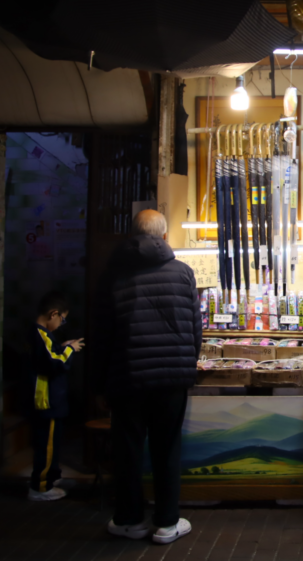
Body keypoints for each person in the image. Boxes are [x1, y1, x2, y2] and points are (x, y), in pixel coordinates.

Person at [94, 209, 202, 545]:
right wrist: (187, 363)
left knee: (128, 449)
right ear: (165, 236)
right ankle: (167, 523)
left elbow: (101, 335)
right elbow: (195, 329)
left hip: (127, 376)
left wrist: (99, 384)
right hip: (172, 378)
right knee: (166, 447)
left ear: (132, 235)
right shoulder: (183, 273)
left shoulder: (112, 275)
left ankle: (129, 520)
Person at [27, 290, 84, 501]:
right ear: (53, 314)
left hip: (51, 399)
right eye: (62, 319)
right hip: (46, 400)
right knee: (46, 445)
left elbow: (49, 354)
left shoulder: (41, 335)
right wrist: (70, 350)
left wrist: (62, 347)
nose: (61, 324)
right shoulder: (39, 334)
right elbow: (54, 362)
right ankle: (40, 487)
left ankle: (51, 478)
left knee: (52, 442)